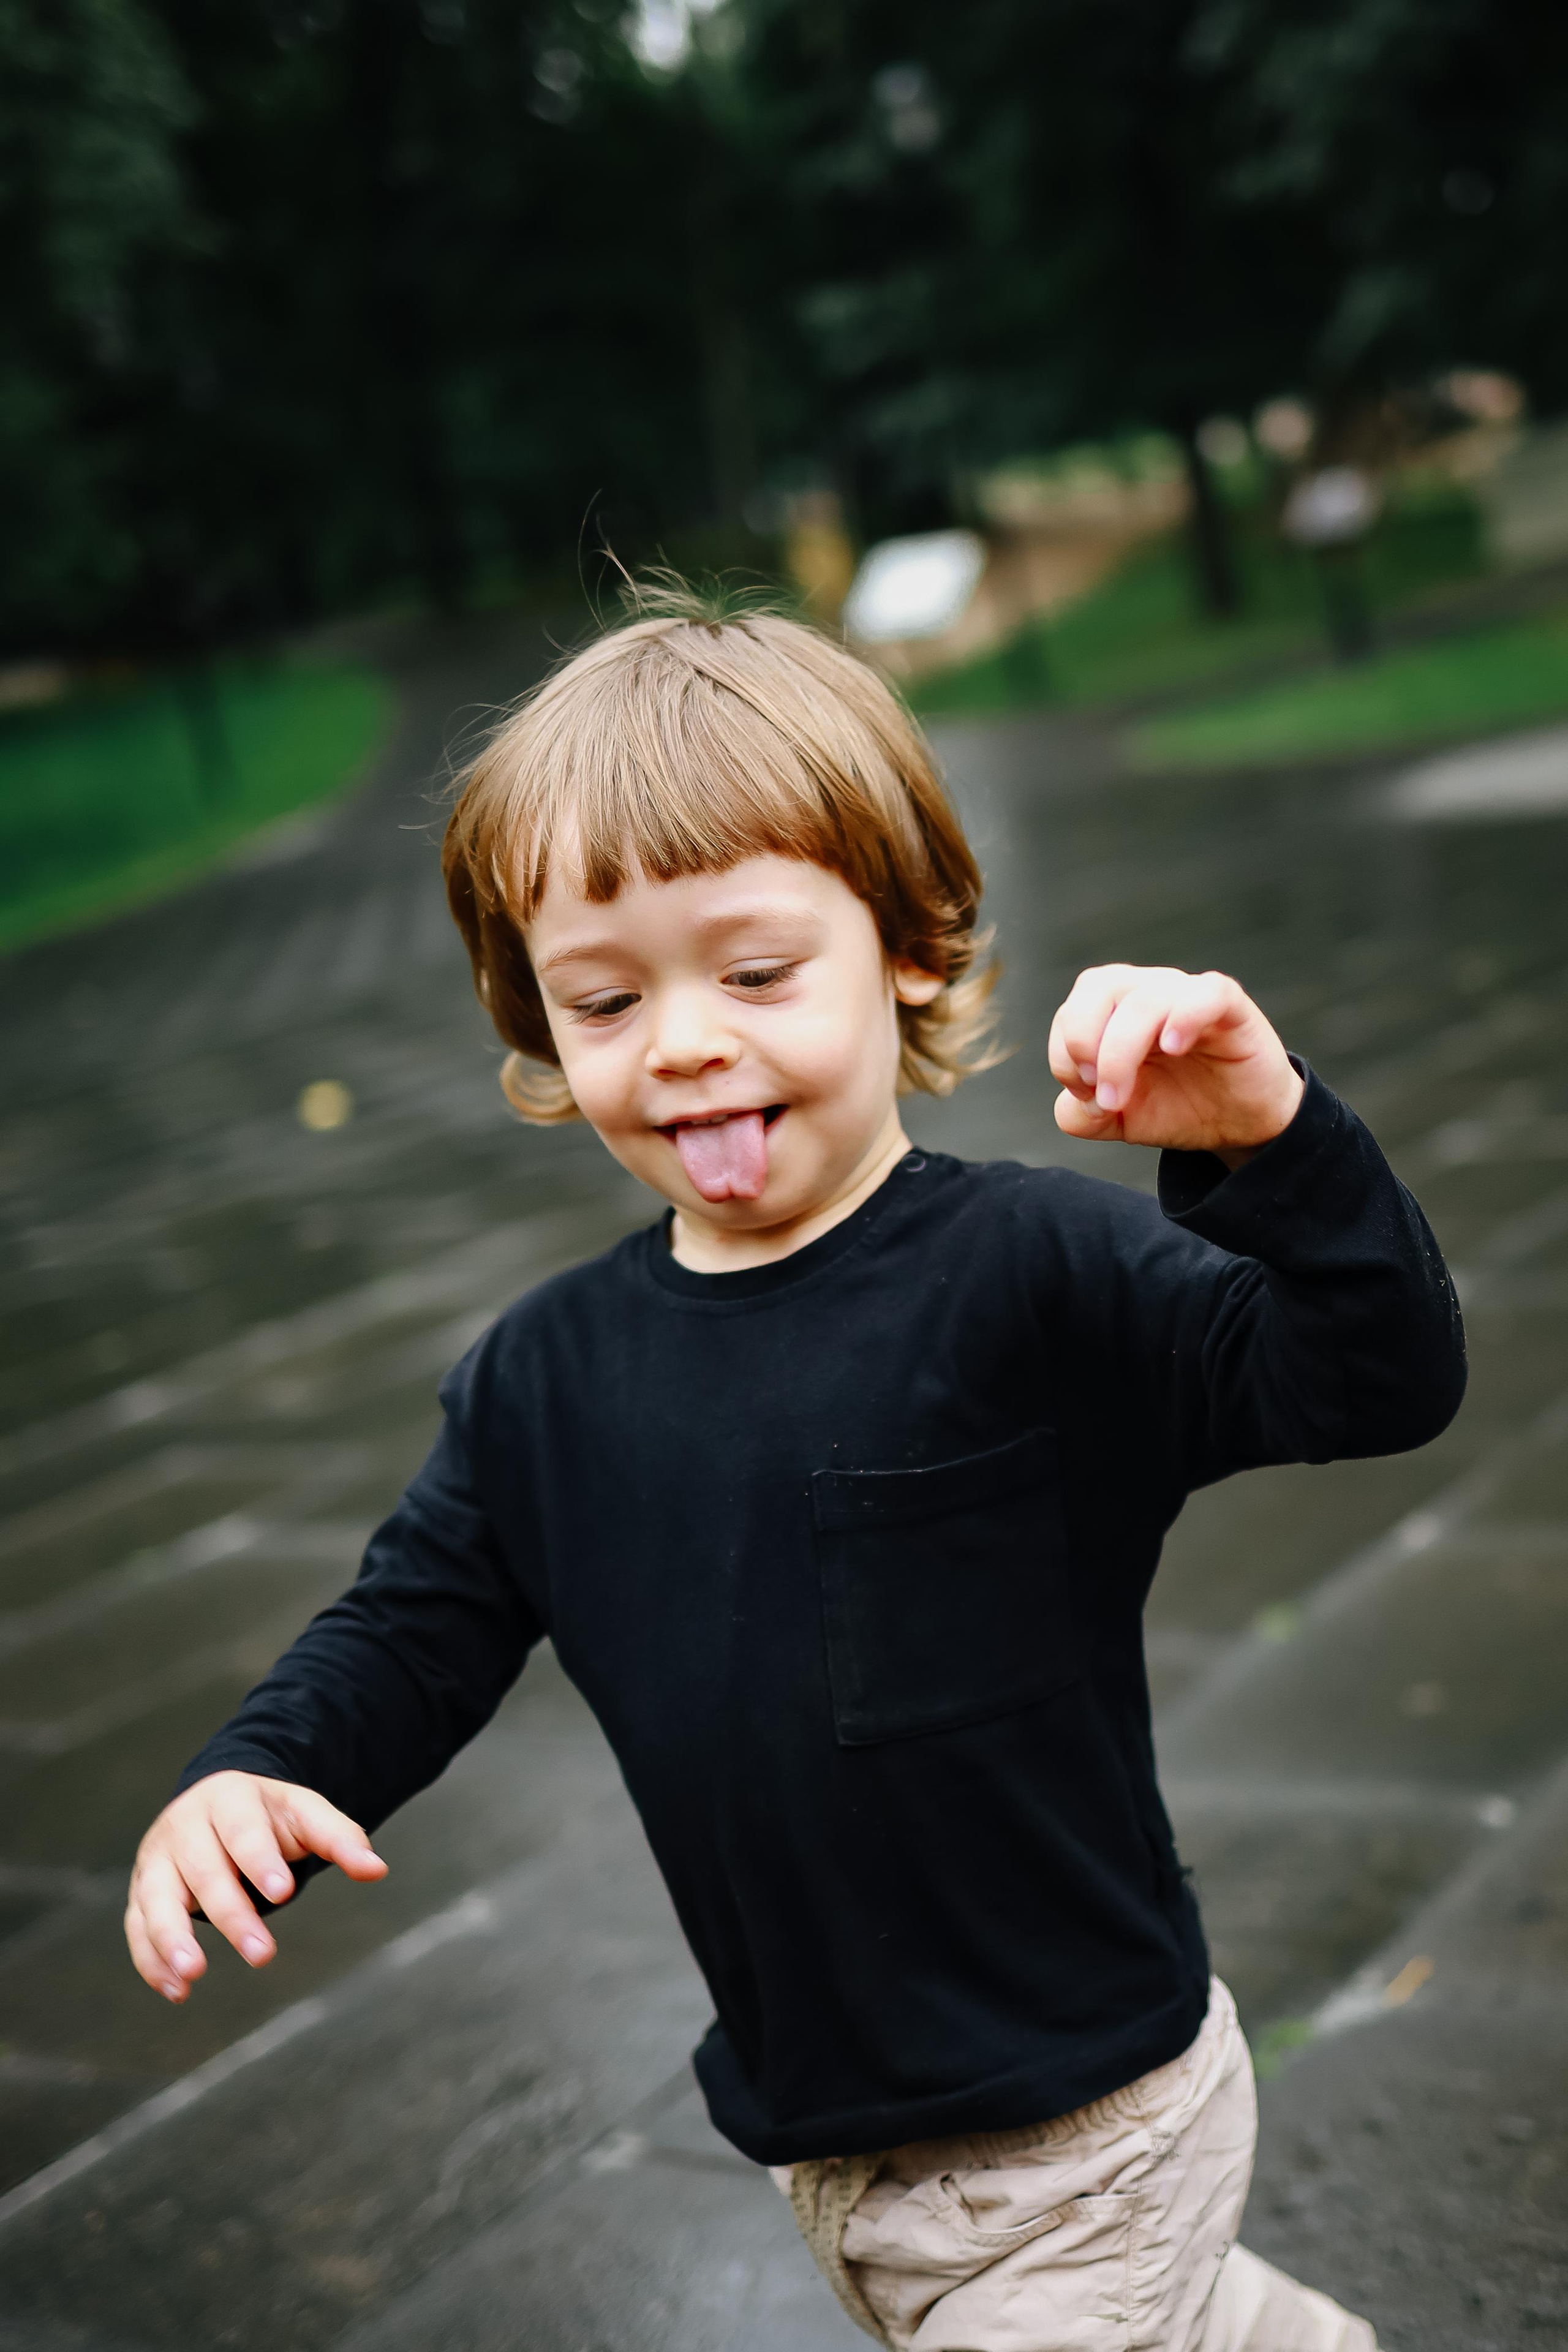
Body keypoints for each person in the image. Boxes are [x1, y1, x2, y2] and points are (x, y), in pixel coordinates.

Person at [125, 589, 1465, 2351]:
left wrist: (1276, 1140)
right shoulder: (543, 1381)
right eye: (604, 998)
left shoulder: (1030, 1277)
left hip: (1087, 2124)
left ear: (906, 946)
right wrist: (260, 1769)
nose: (683, 1040)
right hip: (831, 2133)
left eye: (754, 974)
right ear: (538, 1022)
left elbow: (1378, 1377)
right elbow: (411, 1628)